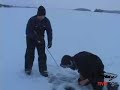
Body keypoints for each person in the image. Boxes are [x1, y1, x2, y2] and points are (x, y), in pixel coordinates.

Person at [25, 6, 52, 77]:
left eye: (43, 16)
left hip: (41, 39)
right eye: (40, 15)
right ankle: (28, 68)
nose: (41, 17)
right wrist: (36, 38)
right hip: (31, 39)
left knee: (42, 55)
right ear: (37, 14)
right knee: (30, 53)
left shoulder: (46, 21)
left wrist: (50, 41)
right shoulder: (32, 20)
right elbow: (28, 32)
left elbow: (49, 31)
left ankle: (43, 70)